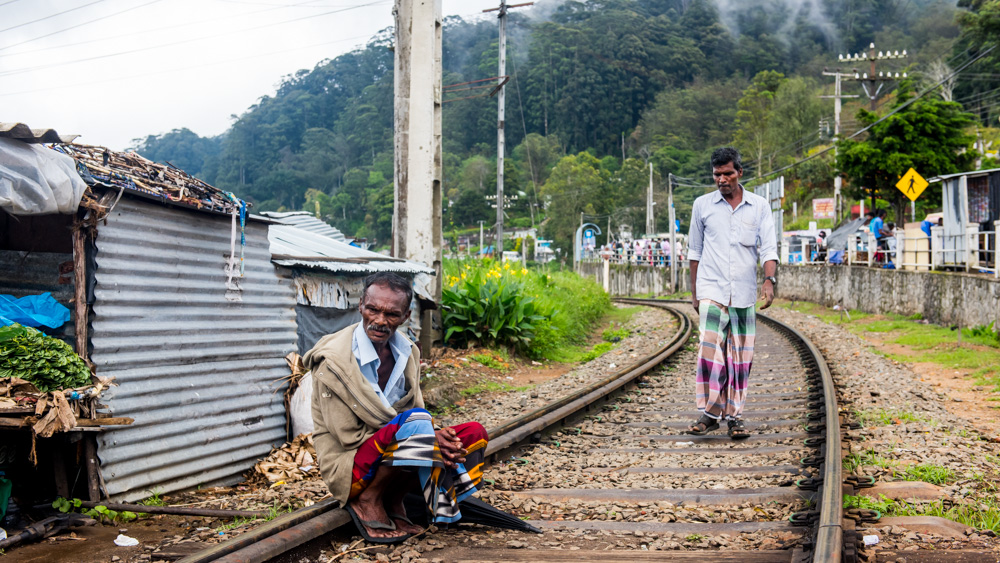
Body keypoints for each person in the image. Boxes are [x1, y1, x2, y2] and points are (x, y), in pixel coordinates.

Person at [306, 272, 488, 543]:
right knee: (416, 423)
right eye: (372, 310)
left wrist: (431, 434)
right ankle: (368, 499)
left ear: (405, 316)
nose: (379, 321)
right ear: (360, 305)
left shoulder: (408, 352)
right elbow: (347, 435)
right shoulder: (333, 360)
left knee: (472, 434)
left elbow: (415, 412)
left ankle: (395, 498)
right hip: (349, 465)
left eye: (391, 314)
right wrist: (422, 433)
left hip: (390, 448)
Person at [685, 147, 778, 440]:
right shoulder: (702, 206)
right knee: (710, 350)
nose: (722, 179)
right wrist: (695, 292)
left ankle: (735, 416)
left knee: (740, 357)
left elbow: (769, 247)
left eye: (728, 173)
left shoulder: (760, 206)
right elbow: (694, 251)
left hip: (743, 292)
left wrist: (769, 279)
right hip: (711, 288)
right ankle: (712, 413)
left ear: (739, 173)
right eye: (717, 174)